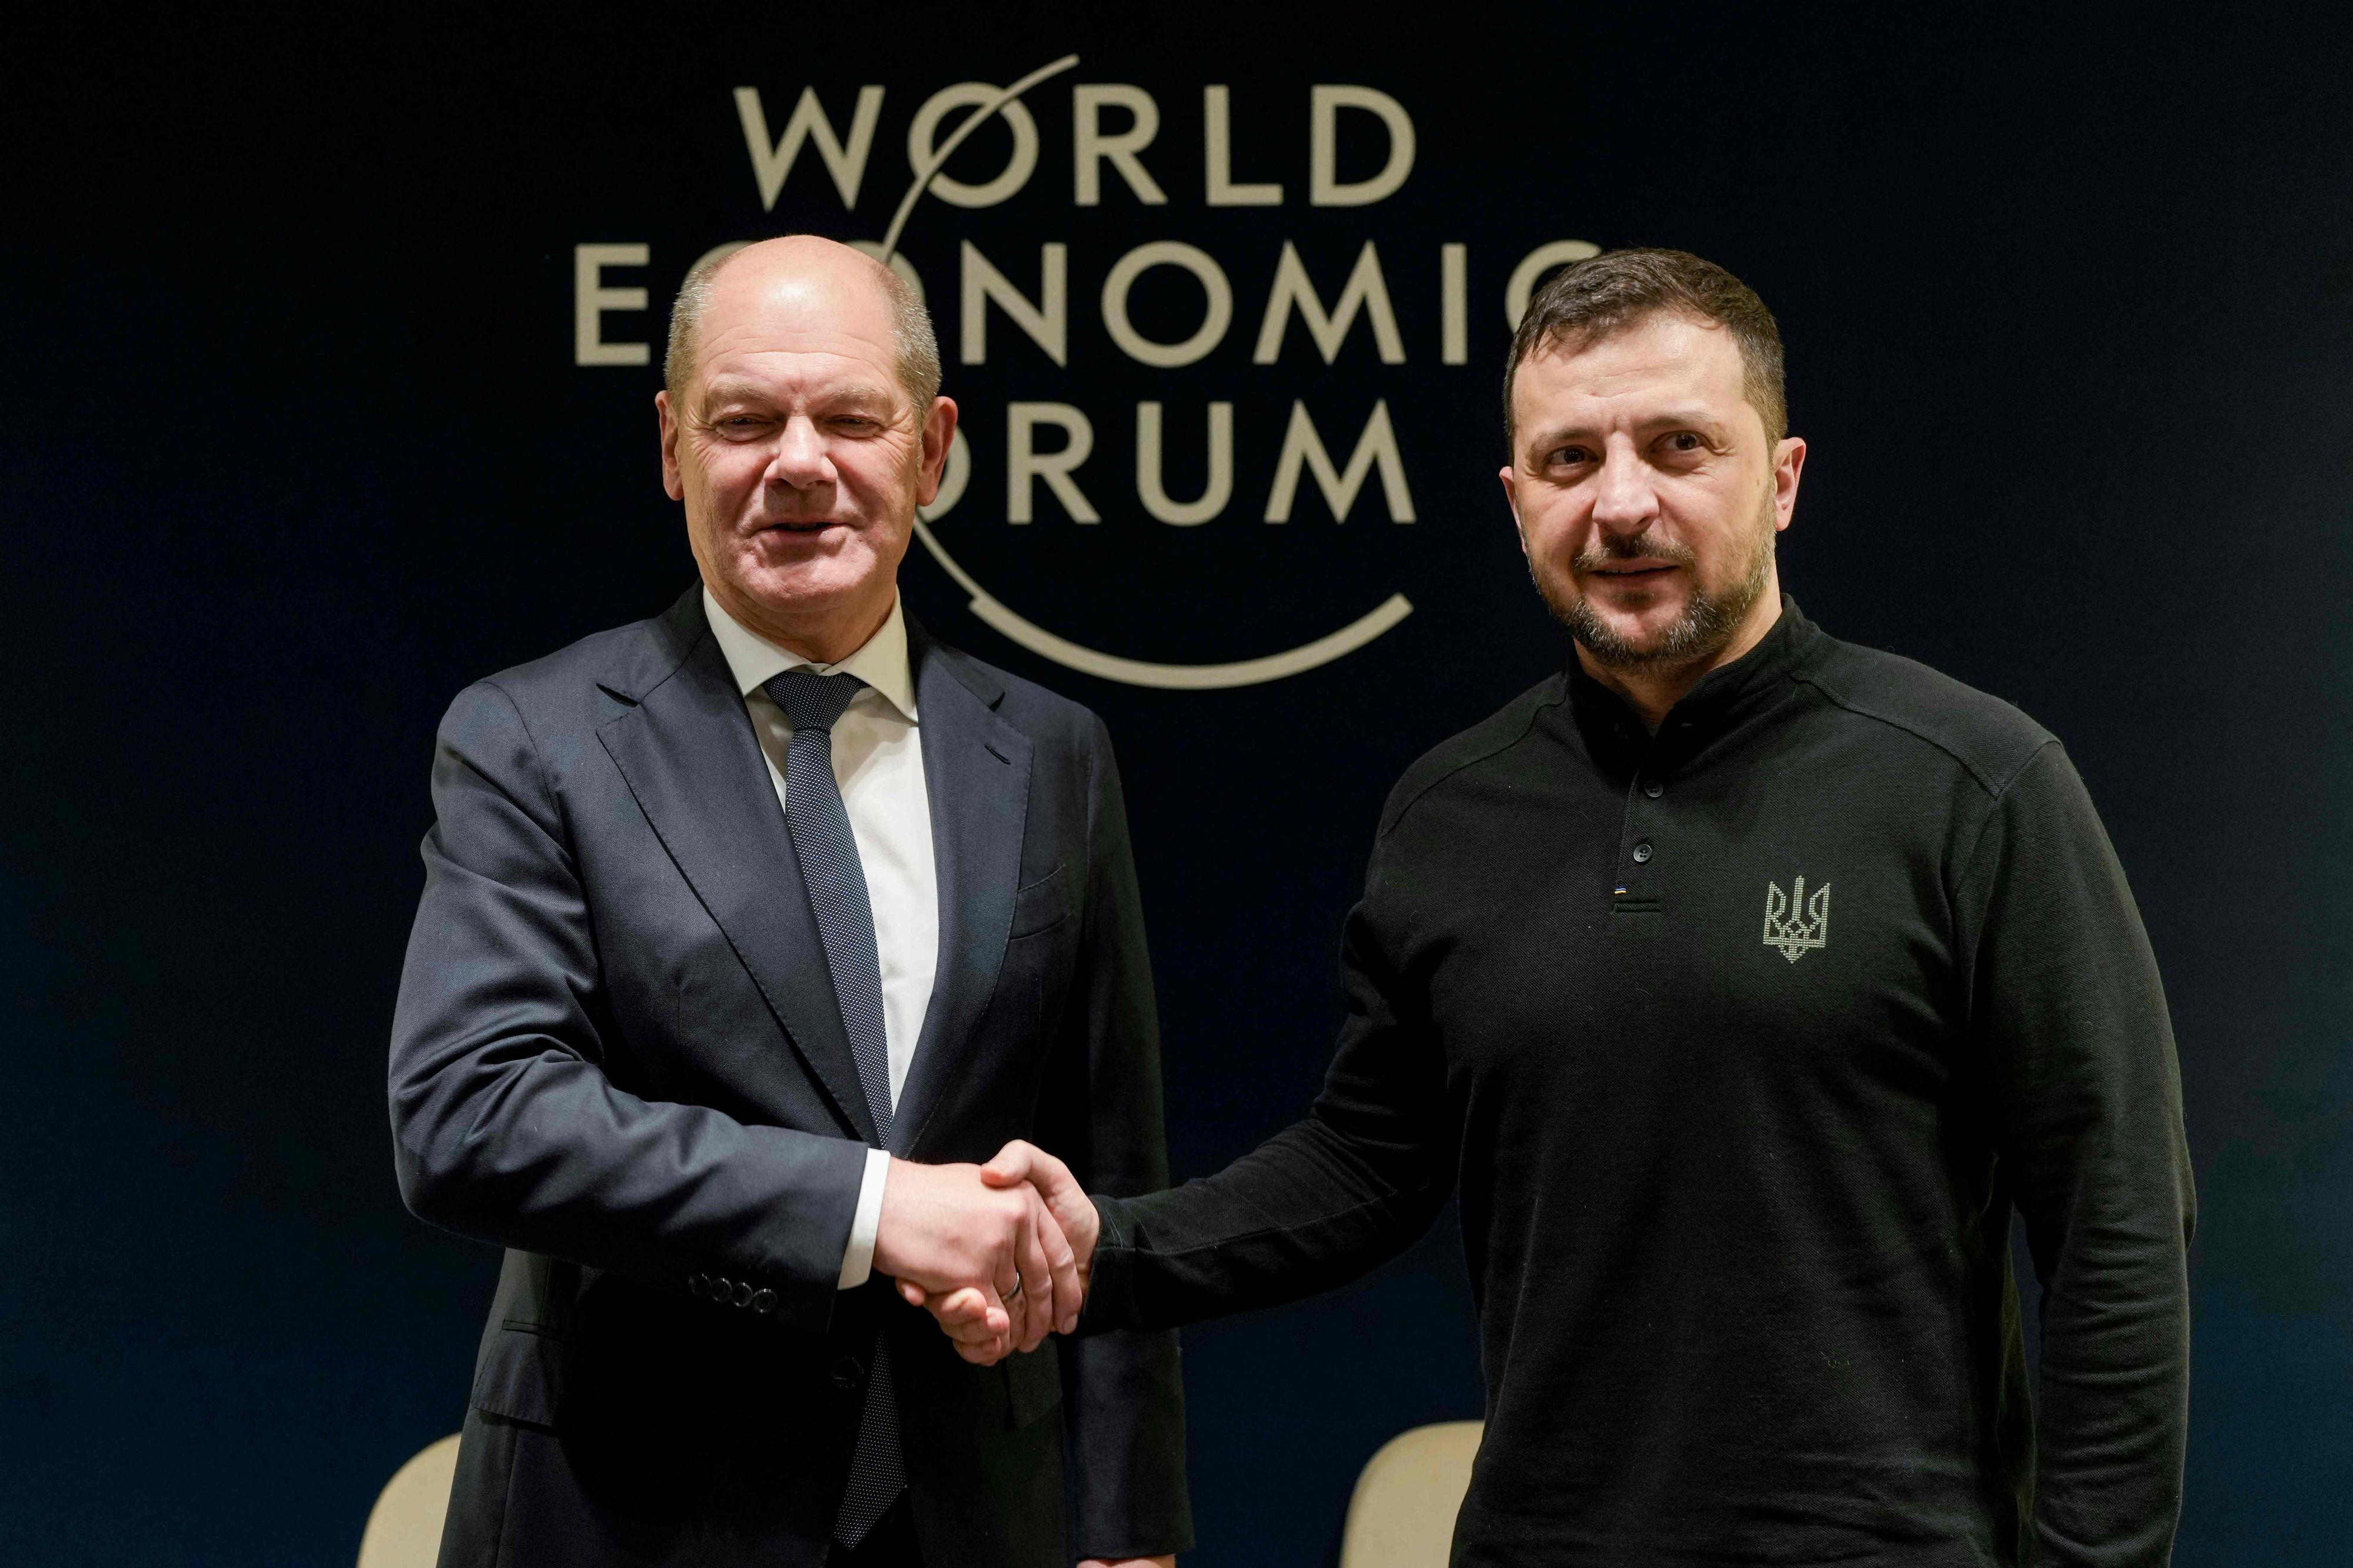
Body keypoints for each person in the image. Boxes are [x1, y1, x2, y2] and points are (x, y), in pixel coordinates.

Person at [929, 249, 2195, 1566]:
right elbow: (1364, 1162)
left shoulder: (1973, 784)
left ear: (1781, 479)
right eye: (1569, 459)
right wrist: (1106, 1246)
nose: (1622, 504)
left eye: (1678, 445)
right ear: (1513, 497)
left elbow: (2114, 1223)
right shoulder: (1451, 808)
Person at [388, 235, 1188, 1568]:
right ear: (670, 447)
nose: (798, 463)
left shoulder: (1051, 752)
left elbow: (1109, 1160)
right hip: (628, 1512)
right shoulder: (532, 736)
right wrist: (874, 1210)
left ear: (930, 449)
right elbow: (472, 1116)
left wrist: (1128, 1523)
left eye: (850, 419)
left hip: (973, 1516)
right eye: (744, 420)